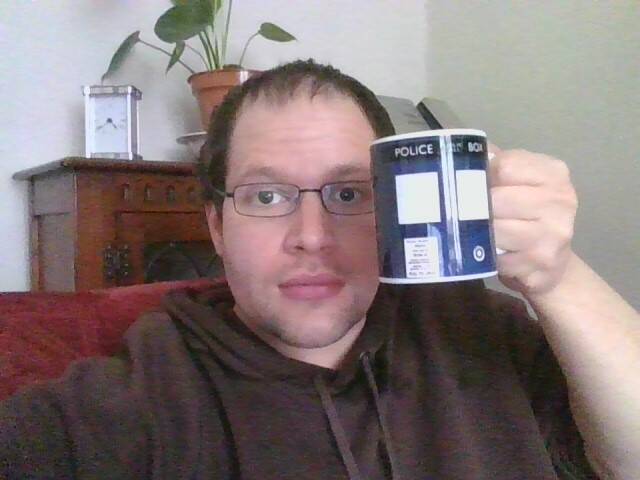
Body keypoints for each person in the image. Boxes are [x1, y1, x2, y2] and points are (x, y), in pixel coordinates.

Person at [1, 59, 639, 479]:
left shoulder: (482, 331)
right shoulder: (133, 400)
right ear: (217, 226)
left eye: (351, 193)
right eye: (266, 196)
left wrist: (558, 280)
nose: (312, 237)